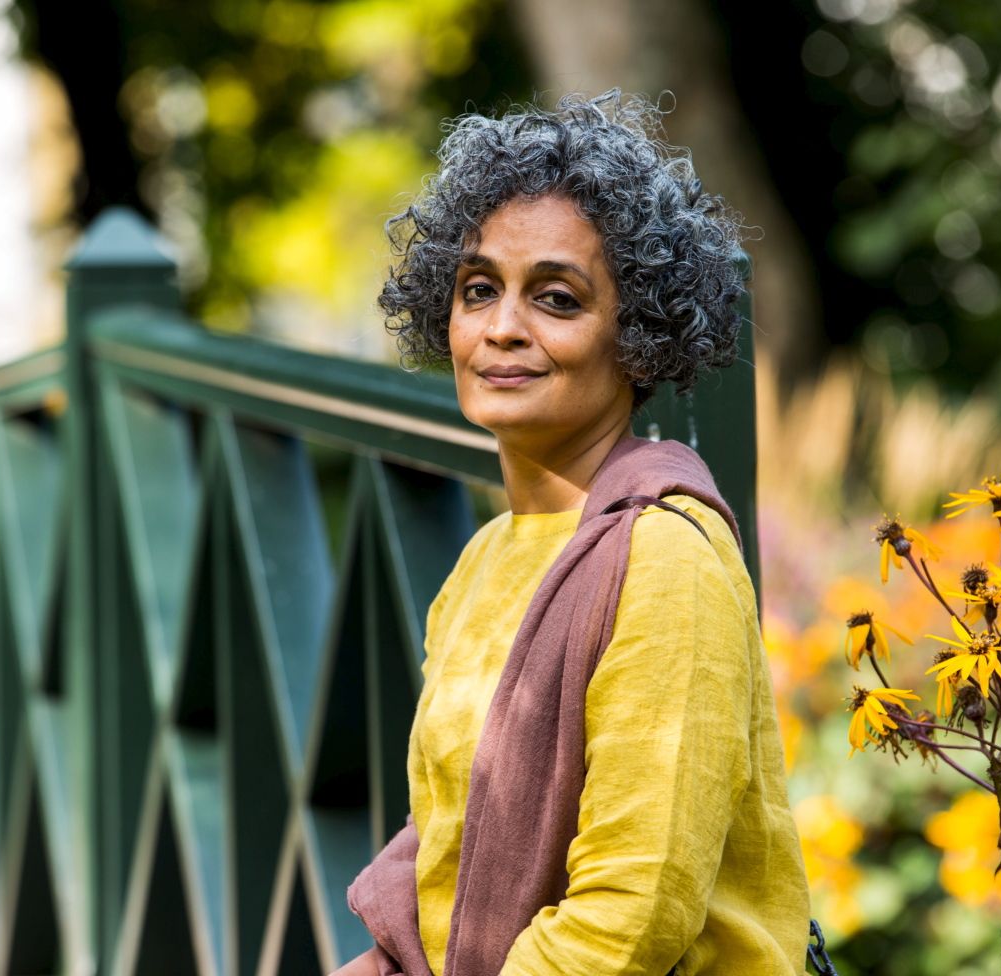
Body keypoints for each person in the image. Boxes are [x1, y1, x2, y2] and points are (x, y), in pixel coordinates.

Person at [332, 90, 810, 976]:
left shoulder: (664, 560)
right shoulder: (486, 559)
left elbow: (632, 914)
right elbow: (443, 837)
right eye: (479, 290)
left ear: (636, 336)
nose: (502, 328)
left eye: (555, 299)